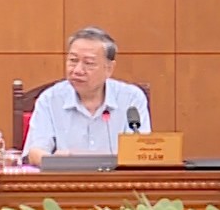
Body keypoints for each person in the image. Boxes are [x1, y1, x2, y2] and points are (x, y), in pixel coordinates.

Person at [25, 27, 151, 164]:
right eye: (73, 60)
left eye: (89, 63)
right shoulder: (50, 99)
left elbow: (141, 153)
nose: (78, 70)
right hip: (66, 176)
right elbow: (34, 152)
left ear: (109, 69)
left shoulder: (131, 99)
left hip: (117, 177)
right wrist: (57, 162)